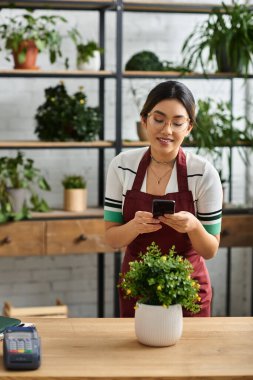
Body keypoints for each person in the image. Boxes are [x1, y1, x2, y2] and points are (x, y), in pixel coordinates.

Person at [104, 80, 222, 317]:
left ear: (188, 128)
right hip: (138, 286)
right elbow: (111, 238)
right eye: (159, 119)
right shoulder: (122, 166)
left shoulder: (203, 172)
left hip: (188, 289)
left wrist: (194, 226)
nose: (167, 130)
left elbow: (209, 250)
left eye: (177, 123)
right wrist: (134, 227)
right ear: (144, 120)